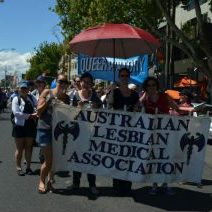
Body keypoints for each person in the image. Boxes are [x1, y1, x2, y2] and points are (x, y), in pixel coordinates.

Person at [140, 76, 179, 195]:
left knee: (165, 157)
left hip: (165, 132)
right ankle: (155, 184)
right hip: (151, 133)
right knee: (154, 158)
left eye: (153, 85)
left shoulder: (164, 96)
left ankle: (166, 183)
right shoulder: (145, 98)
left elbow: (175, 107)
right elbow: (138, 107)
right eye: (149, 85)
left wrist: (164, 114)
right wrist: (143, 97)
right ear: (146, 87)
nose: (151, 87)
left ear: (157, 86)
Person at [107, 67, 139, 196]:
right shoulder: (114, 92)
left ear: (129, 77)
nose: (124, 78)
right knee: (118, 156)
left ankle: (127, 184)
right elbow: (109, 106)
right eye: (122, 75)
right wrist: (111, 91)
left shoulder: (135, 94)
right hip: (117, 130)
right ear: (119, 77)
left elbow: (137, 109)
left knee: (129, 157)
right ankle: (117, 184)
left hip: (131, 129)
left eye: (126, 75)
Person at [69, 72, 102, 196]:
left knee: (90, 160)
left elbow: (102, 113)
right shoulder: (75, 96)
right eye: (84, 82)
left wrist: (96, 107)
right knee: (77, 159)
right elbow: (70, 116)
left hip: (91, 133)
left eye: (89, 82)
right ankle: (76, 183)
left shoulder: (95, 96)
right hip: (77, 133)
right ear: (80, 82)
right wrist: (78, 108)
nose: (86, 84)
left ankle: (92, 185)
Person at [36, 73, 70, 194]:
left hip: (58, 132)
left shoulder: (66, 97)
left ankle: (50, 181)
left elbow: (68, 116)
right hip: (45, 129)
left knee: (55, 159)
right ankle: (41, 181)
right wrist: (50, 101)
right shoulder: (47, 92)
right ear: (56, 81)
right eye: (61, 81)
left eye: (65, 82)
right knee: (49, 160)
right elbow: (39, 112)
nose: (63, 84)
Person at [12, 81, 38, 176]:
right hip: (19, 126)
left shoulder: (32, 97)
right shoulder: (16, 99)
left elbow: (38, 105)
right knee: (19, 148)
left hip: (30, 126)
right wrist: (31, 116)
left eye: (25, 88)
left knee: (28, 148)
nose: (24, 90)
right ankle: (18, 167)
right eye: (22, 88)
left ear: (28, 89)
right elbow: (16, 113)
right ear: (19, 89)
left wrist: (37, 111)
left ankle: (28, 167)